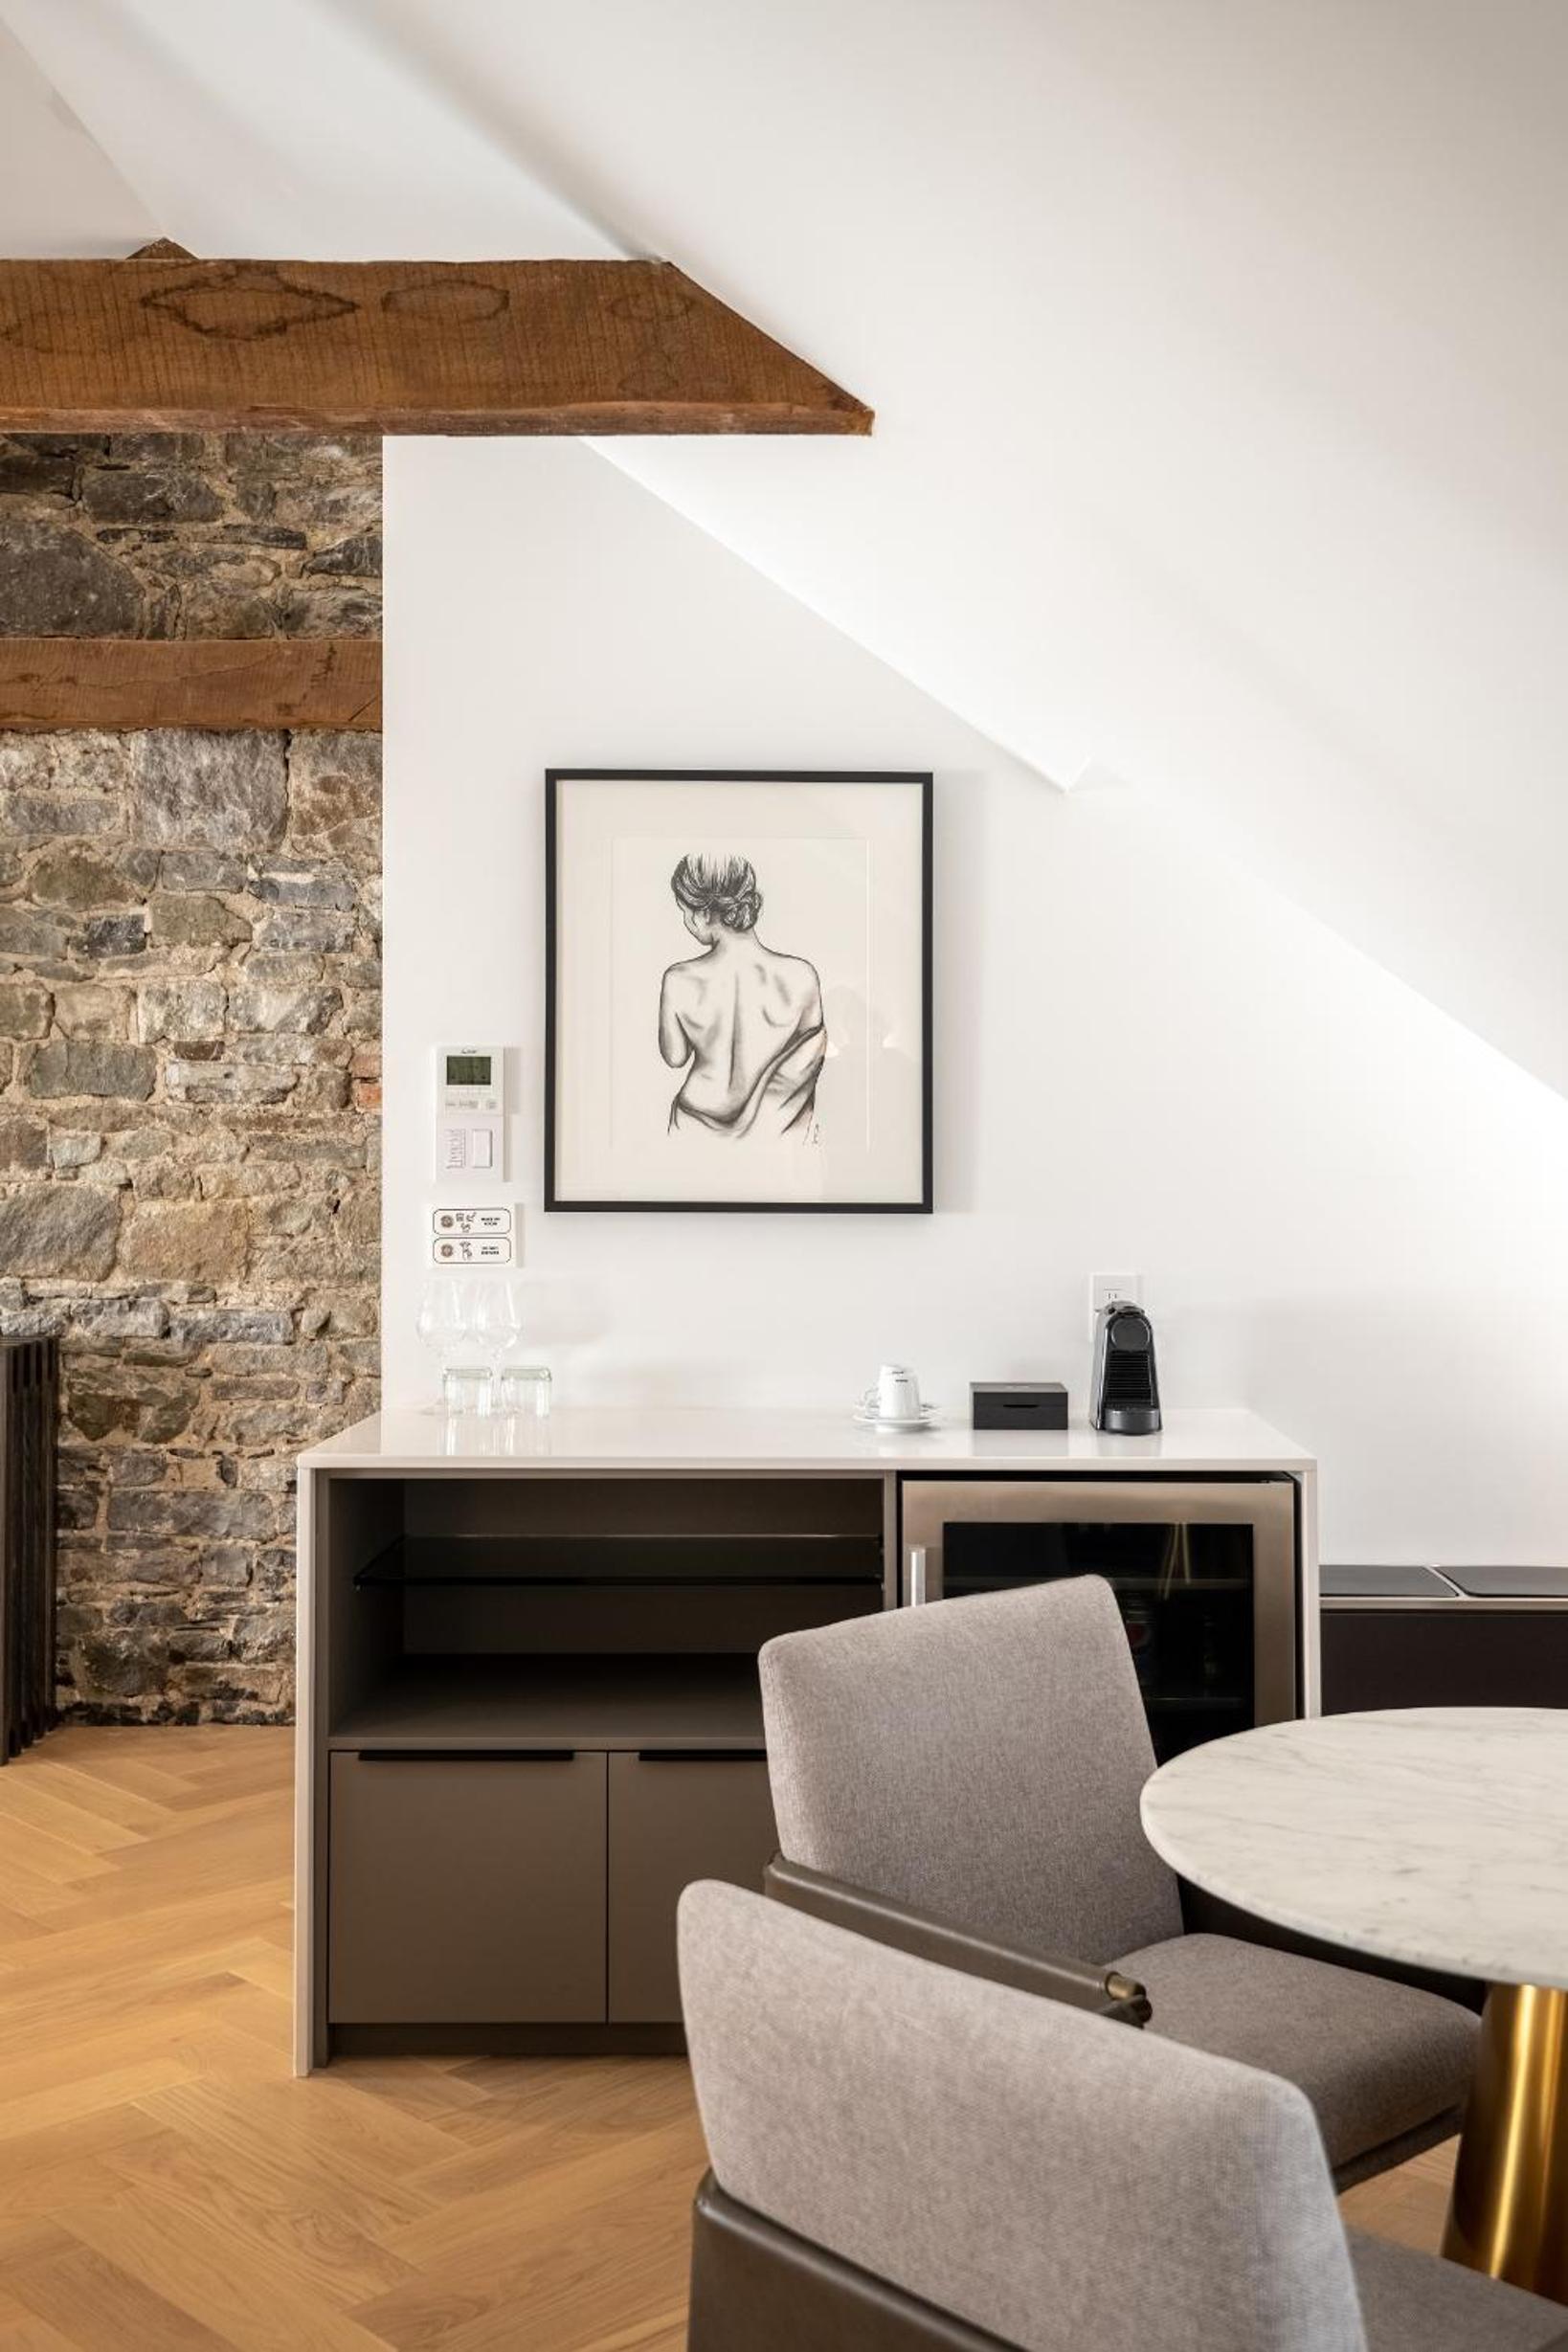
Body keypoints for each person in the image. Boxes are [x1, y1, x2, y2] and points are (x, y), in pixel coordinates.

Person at [659, 853, 826, 1140]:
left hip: (694, 1124)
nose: (685, 920)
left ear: (703, 914)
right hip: (775, 1133)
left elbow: (675, 1057)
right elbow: (808, 1062)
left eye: (684, 910)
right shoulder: (802, 975)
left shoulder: (678, 979)